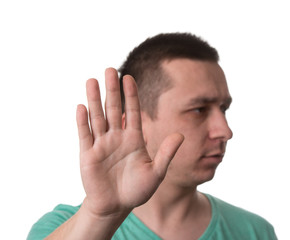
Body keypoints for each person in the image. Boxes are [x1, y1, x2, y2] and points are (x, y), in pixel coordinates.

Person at [28, 33, 277, 240]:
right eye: (199, 110)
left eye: (223, 108)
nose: (225, 131)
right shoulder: (63, 228)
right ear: (135, 125)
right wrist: (100, 216)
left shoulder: (254, 232)